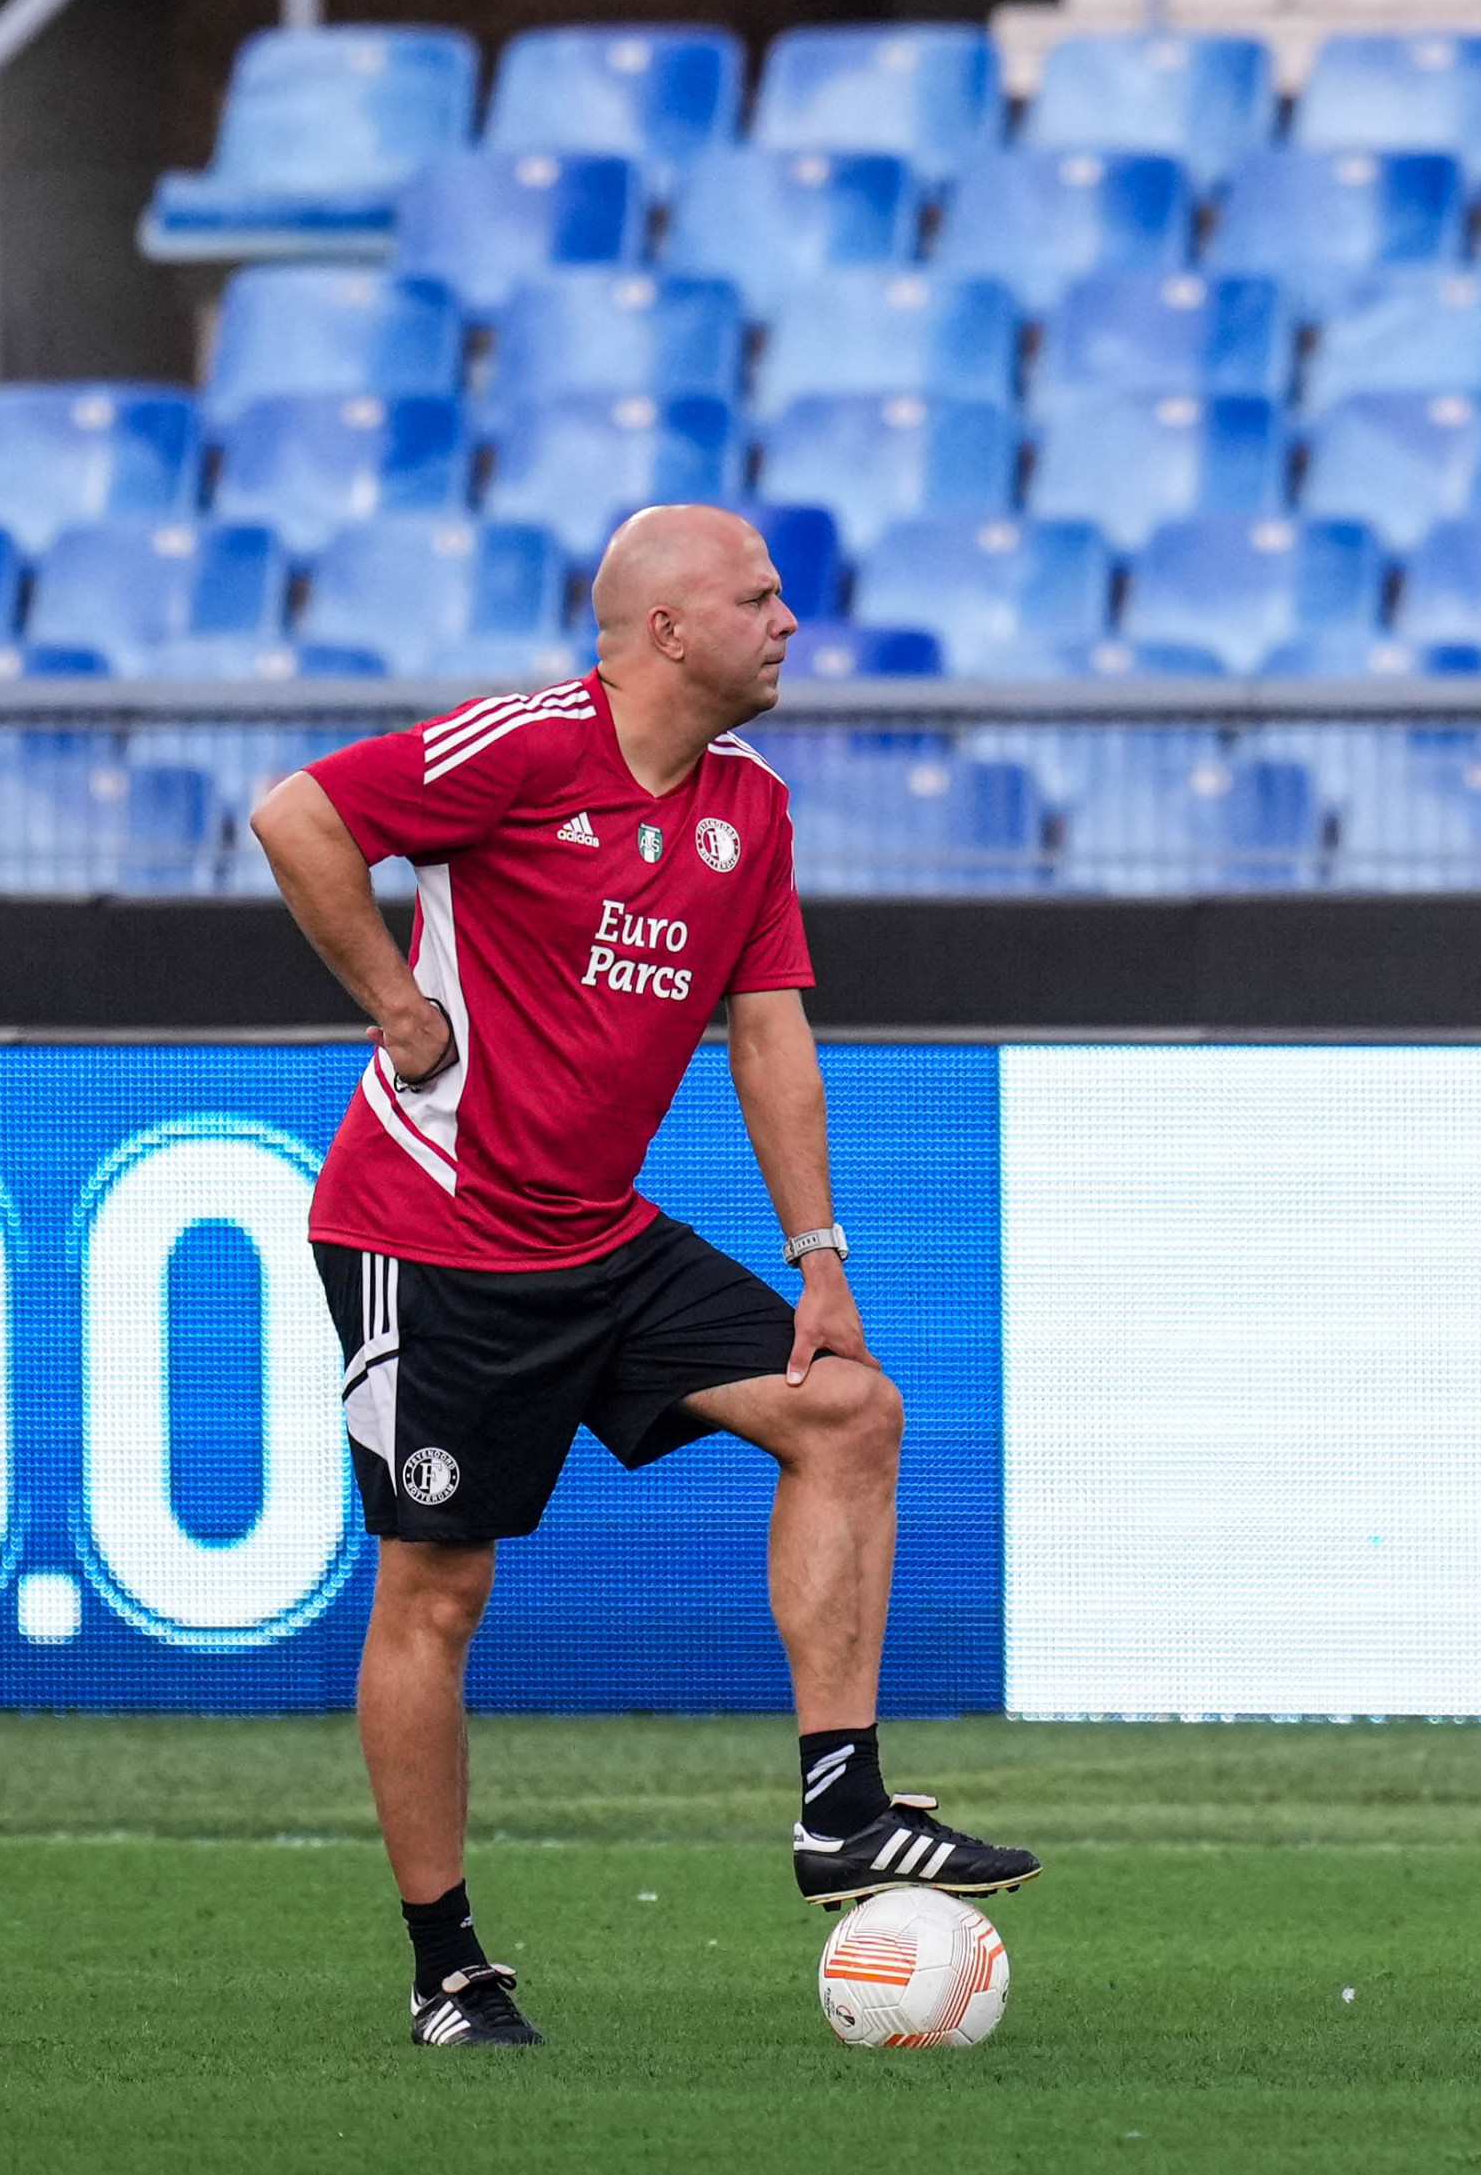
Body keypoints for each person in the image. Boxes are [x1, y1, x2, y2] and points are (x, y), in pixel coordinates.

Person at [250, 503, 1037, 2050]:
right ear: (667, 628)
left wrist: (819, 1259)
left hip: (598, 1231)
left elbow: (770, 1036)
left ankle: (842, 1808)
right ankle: (448, 1970)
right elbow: (297, 817)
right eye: (760, 598)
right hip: (431, 1232)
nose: (789, 622)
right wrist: (397, 1005)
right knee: (438, 1587)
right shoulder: (524, 748)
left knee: (850, 1411)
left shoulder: (752, 805)